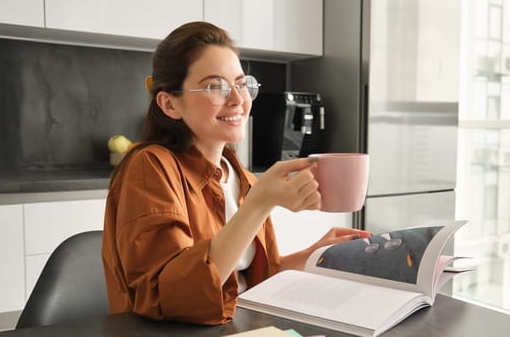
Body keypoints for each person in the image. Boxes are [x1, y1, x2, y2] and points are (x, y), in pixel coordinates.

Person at [101, 21, 371, 325]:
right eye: (215, 86)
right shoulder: (150, 166)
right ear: (169, 104)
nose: (238, 99)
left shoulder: (239, 175)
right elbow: (171, 297)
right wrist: (259, 203)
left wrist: (314, 255)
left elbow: (249, 281)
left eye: (242, 84)